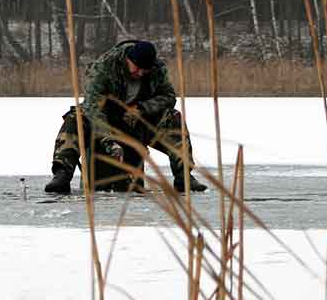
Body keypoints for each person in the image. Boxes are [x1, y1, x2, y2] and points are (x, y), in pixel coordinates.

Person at [43, 40, 209, 194]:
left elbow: (169, 96)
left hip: (137, 120)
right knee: (75, 118)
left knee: (173, 117)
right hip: (103, 118)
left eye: (145, 70)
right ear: (127, 59)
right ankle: (62, 174)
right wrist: (108, 141)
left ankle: (184, 177)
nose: (140, 73)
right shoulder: (104, 67)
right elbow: (93, 107)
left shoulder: (157, 69)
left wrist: (142, 108)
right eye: (136, 68)